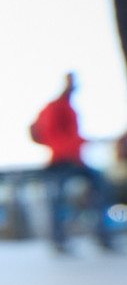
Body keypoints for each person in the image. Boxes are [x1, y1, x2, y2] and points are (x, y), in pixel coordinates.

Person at [31, 73, 115, 253]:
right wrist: (74, 144)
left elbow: (73, 137)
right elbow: (50, 135)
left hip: (75, 160)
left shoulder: (69, 108)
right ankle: (59, 241)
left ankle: (102, 236)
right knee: (58, 198)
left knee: (100, 184)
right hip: (60, 161)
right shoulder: (54, 107)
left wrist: (85, 141)